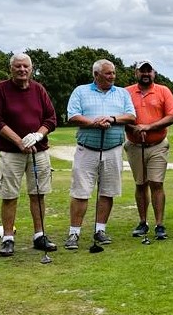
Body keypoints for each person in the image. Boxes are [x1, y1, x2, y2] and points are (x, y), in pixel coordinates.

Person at [0, 53, 58, 256]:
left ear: (31, 68)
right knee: (9, 195)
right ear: (11, 68)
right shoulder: (0, 89)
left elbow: (51, 118)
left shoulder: (38, 89)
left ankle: (39, 235)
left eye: (25, 66)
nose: (22, 70)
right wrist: (19, 142)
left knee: (38, 194)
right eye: (17, 66)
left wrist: (38, 135)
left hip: (39, 150)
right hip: (11, 152)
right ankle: (8, 238)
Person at [64, 59, 136, 250]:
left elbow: (131, 116)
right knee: (81, 192)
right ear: (96, 75)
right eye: (108, 73)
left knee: (107, 191)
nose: (112, 76)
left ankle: (100, 230)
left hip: (113, 149)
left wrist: (112, 119)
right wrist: (94, 122)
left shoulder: (122, 93)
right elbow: (72, 116)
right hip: (87, 149)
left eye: (113, 73)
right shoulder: (81, 91)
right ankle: (74, 233)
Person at [124, 60, 173, 240]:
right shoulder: (126, 92)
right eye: (142, 71)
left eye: (149, 71)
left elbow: (172, 116)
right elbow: (122, 116)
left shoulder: (163, 91)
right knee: (140, 184)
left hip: (157, 145)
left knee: (156, 183)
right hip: (134, 145)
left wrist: (148, 127)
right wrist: (135, 128)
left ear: (154, 73)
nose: (146, 74)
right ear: (136, 73)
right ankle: (142, 222)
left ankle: (159, 224)